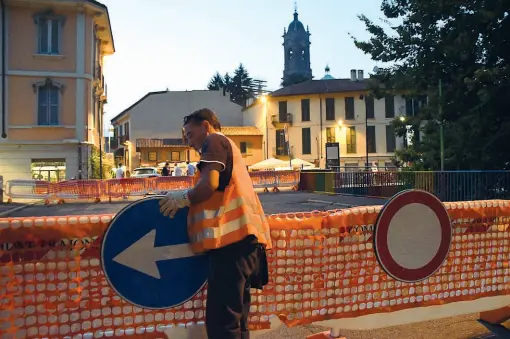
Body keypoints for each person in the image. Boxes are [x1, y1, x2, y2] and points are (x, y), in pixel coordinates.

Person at [159, 108, 271, 339]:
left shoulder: (215, 141)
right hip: (246, 245)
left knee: (223, 324)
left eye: (190, 134)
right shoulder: (230, 148)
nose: (188, 141)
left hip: (231, 245)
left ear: (206, 126)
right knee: (237, 322)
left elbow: (209, 183)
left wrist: (183, 198)